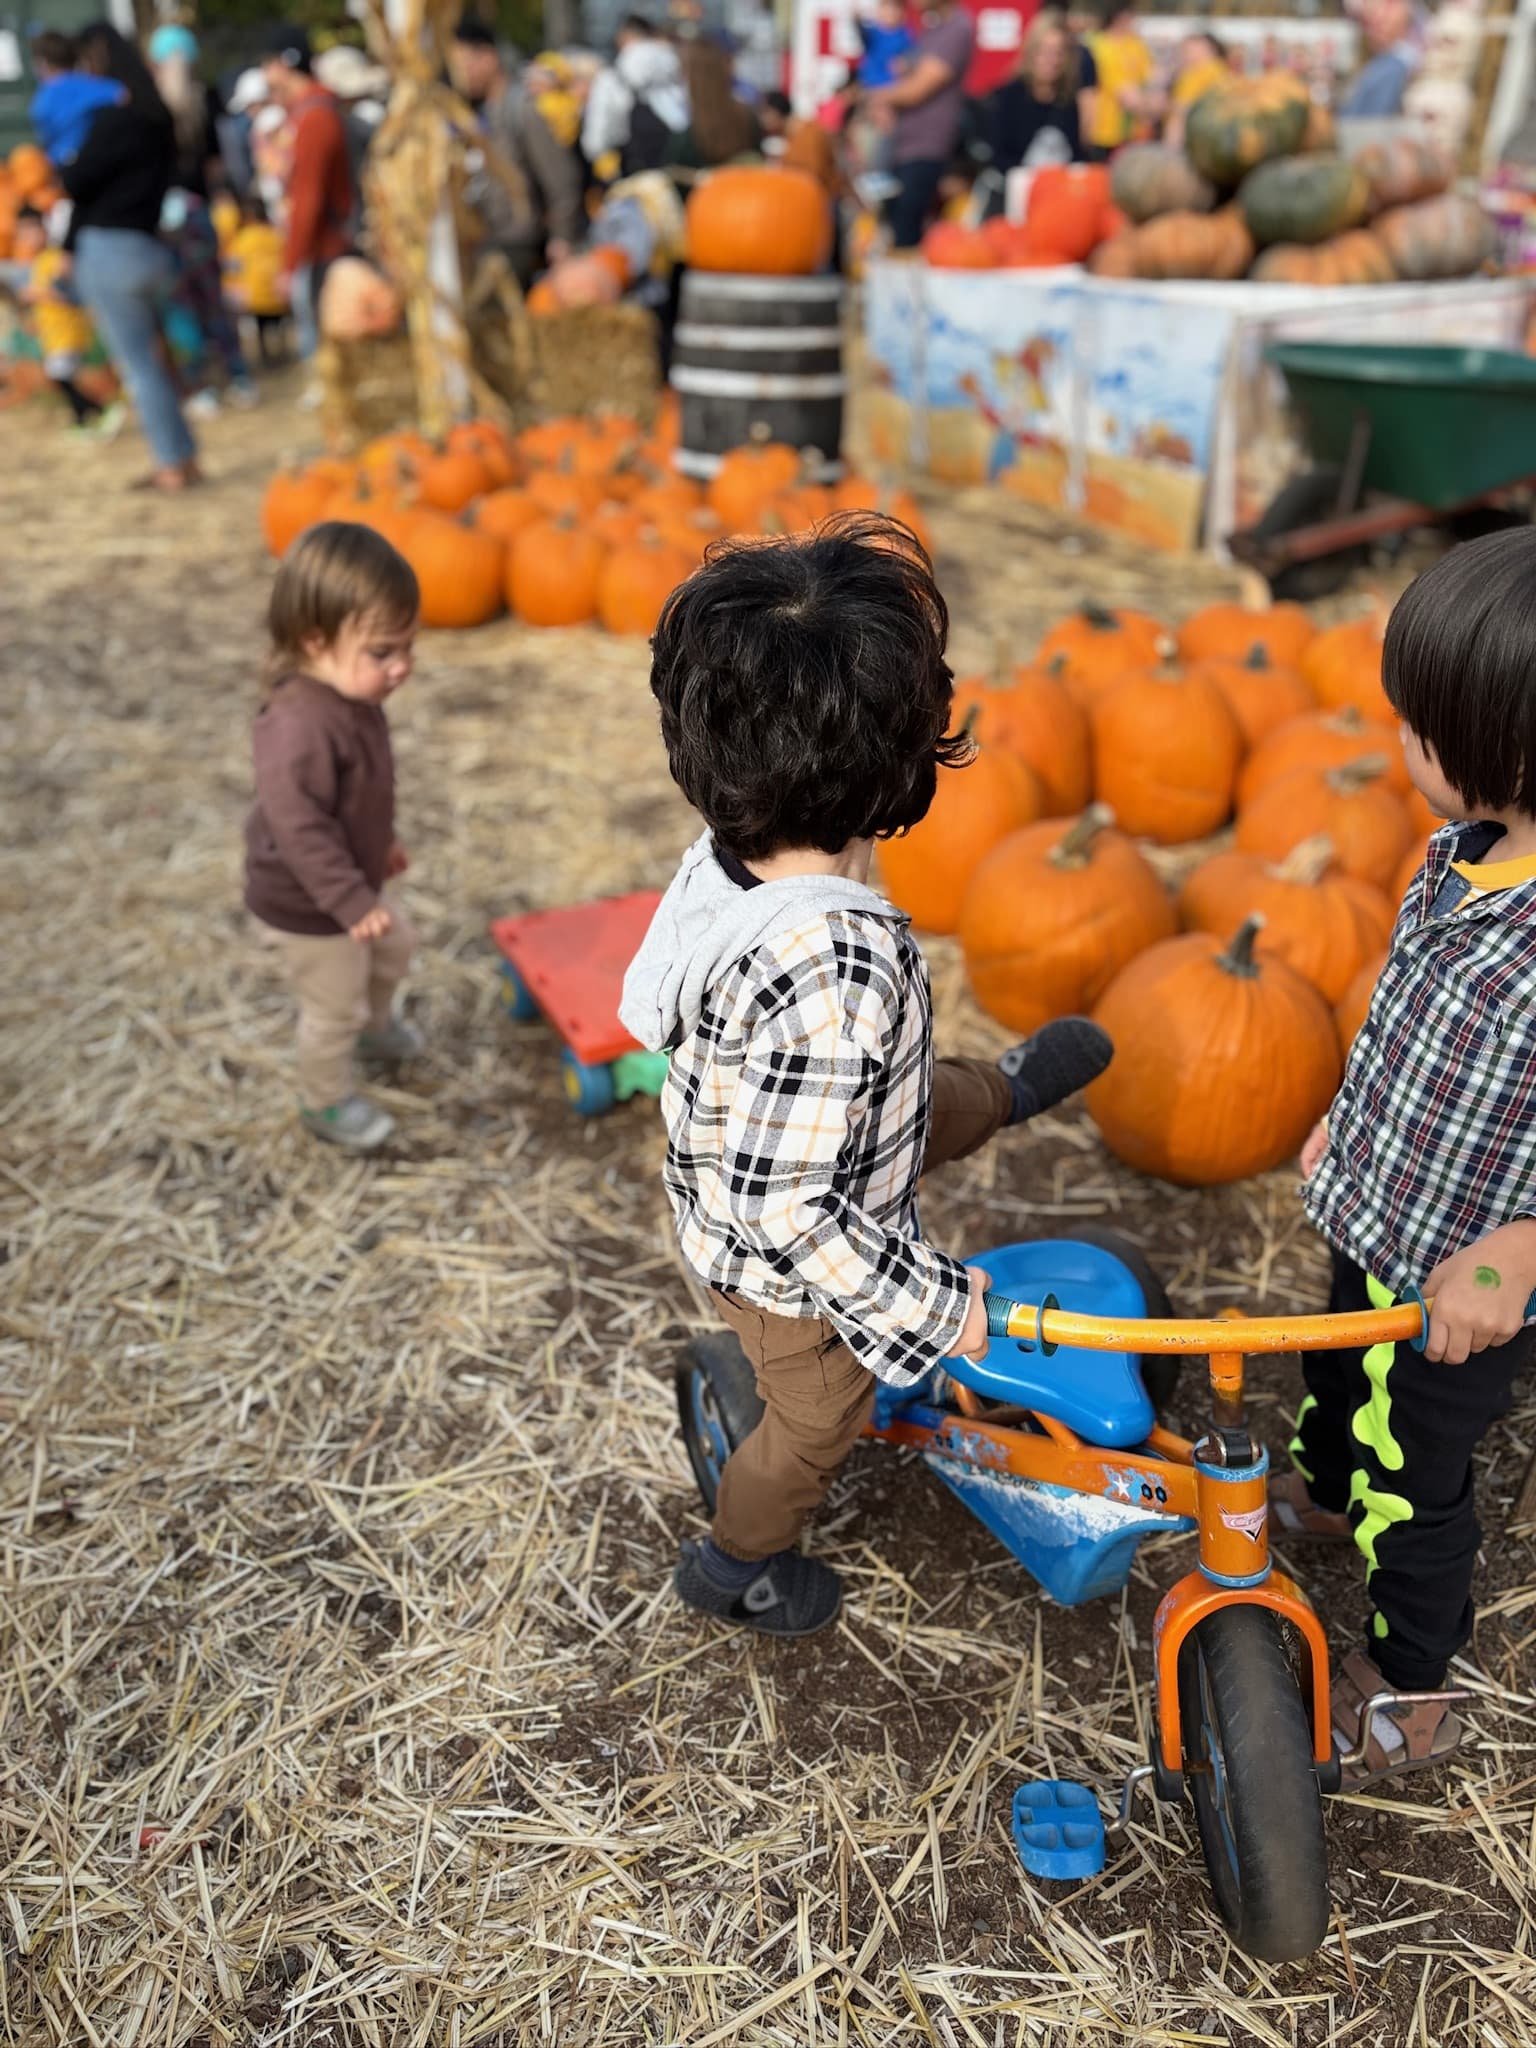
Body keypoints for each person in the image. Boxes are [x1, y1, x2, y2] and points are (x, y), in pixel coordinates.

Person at [619, 516, 1114, 1634]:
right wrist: (939, 1310)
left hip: (782, 1124)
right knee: (818, 1423)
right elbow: (794, 1212)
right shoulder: (836, 972)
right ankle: (737, 1561)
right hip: (783, 1264)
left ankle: (1003, 1088)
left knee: (917, 1098)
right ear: (903, 756)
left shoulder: (726, 861)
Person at [1275, 529, 1536, 1785]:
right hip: (1380, 1206)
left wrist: (1523, 1249)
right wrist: (1352, 1111)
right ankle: (1326, 1490)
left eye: (1422, 727)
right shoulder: (1461, 853)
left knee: (1417, 1470)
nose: (1401, 742)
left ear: (1514, 751)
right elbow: (1403, 1016)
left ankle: (1412, 1678)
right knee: (1335, 1367)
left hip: (1466, 1278)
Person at [245, 523, 422, 1155]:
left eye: (409, 647)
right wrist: (349, 898)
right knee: (333, 1005)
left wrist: (380, 844)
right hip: (310, 903)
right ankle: (324, 1100)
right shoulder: (297, 725)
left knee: (396, 947)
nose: (401, 667)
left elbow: (359, 794)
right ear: (315, 640)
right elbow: (299, 826)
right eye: (383, 652)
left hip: (349, 883)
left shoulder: (352, 696)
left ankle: (374, 1030)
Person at [60, 23, 198, 492]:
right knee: (160, 362)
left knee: (140, 367)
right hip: (150, 248)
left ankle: (170, 465)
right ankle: (185, 456)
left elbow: (76, 182)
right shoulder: (159, 121)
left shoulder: (113, 120)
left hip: (111, 253)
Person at [149, 24, 255, 413]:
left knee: (187, 303)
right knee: (207, 301)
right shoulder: (201, 99)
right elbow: (219, 163)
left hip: (175, 218)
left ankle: (206, 381)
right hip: (196, 213)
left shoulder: (154, 105)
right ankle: (232, 375)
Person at [448, 20, 586, 286]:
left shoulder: (523, 109)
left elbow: (560, 177)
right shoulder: (478, 112)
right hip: (490, 236)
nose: (460, 74)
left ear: (488, 57)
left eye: (464, 64)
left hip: (520, 241)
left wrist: (562, 237)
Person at [260, 26, 356, 364]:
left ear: (284, 64)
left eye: (268, 64)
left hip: (330, 251)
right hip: (325, 248)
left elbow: (308, 197)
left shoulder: (315, 117)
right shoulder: (308, 112)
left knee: (332, 353)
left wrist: (290, 265)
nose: (265, 75)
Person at [864, 0, 976, 249]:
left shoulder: (957, 28)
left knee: (907, 231)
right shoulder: (928, 30)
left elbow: (918, 89)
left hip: (927, 147)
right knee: (890, 224)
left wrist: (877, 97)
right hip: (900, 145)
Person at [10, 204, 124, 437]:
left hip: (68, 330)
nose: (27, 238)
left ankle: (96, 411)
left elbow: (73, 295)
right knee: (62, 375)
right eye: (22, 233)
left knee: (61, 374)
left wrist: (37, 294)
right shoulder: (39, 262)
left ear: (45, 229)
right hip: (53, 332)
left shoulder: (57, 259)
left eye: (31, 230)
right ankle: (90, 415)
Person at [582, 16, 692, 183]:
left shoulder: (614, 74)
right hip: (676, 161)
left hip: (633, 164)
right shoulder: (675, 64)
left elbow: (599, 125)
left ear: (625, 36)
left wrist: (597, 153)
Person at [989, 10, 1088, 173]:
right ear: (1031, 52)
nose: (1052, 60)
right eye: (1045, 51)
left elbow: (1076, 154)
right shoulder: (1008, 97)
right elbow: (998, 157)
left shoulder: (1068, 100)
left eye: (1059, 52)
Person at [28, 30, 123, 165]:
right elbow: (122, 96)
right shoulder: (98, 85)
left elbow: (46, 138)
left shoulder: (43, 100)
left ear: (42, 62)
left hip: (66, 165)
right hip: (106, 159)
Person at [1080, 0, 1159, 155]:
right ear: (1119, 16)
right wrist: (1153, 108)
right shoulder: (1099, 46)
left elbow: (1152, 78)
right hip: (1104, 133)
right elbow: (1126, 95)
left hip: (1134, 133)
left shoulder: (1135, 44)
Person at [223, 194, 291, 365]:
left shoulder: (241, 239)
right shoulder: (275, 234)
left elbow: (233, 269)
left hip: (255, 297)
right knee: (279, 324)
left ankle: (265, 356)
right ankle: (283, 351)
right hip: (277, 294)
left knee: (261, 328)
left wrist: (232, 288)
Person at [1339, 0, 1423, 119]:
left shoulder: (1393, 66)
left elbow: (1371, 120)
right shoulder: (1381, 62)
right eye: (1367, 24)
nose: (1373, 27)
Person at [1164, 30, 1229, 148]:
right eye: (1184, 50)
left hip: (1196, 135)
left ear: (1208, 50)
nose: (1184, 54)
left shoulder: (1210, 69)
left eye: (1189, 50)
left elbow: (1183, 106)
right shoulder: (1191, 72)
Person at [857, 0, 917, 91]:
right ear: (878, 12)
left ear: (902, 13)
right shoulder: (871, 32)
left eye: (894, 10)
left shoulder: (906, 34)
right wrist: (856, 19)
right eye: (886, 9)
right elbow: (859, 34)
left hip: (892, 86)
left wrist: (906, 63)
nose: (890, 13)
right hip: (869, 83)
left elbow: (914, 54)